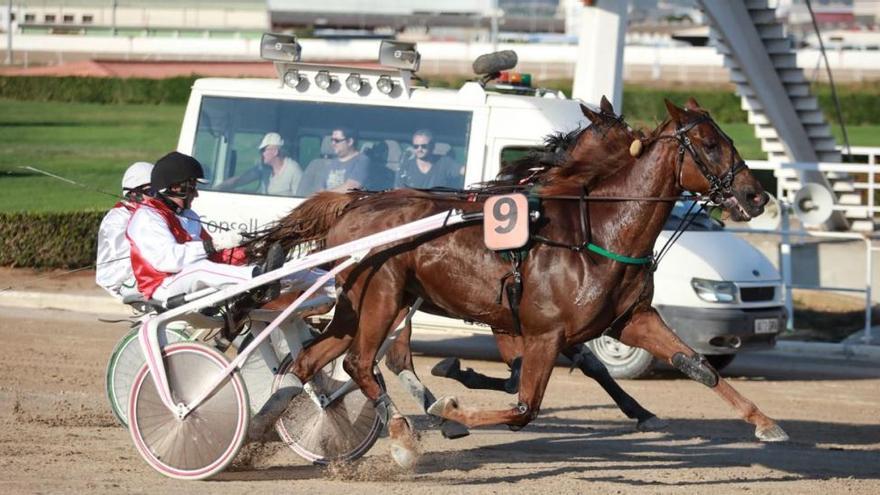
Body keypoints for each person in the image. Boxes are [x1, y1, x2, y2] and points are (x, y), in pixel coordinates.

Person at [126, 151, 282, 302]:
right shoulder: (147, 217)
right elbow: (170, 261)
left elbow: (214, 255)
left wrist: (250, 251)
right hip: (161, 286)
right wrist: (214, 244)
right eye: (192, 187)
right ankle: (260, 278)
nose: (196, 194)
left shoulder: (189, 215)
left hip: (186, 278)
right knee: (200, 268)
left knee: (239, 261)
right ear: (174, 188)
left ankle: (293, 274)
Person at [95, 161, 154, 299]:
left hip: (144, 273)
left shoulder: (152, 213)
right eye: (151, 192)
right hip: (121, 280)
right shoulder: (117, 219)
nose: (156, 197)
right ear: (134, 193)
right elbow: (128, 259)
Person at [219, 132, 303, 196]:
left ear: (275, 152)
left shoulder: (293, 170)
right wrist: (219, 188)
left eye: (264, 150)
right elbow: (240, 180)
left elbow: (301, 202)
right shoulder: (263, 168)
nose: (261, 154)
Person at [395, 129, 461, 189]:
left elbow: (466, 171)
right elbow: (398, 194)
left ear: (432, 146)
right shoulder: (405, 167)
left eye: (424, 146)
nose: (419, 149)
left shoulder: (444, 162)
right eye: (416, 146)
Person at [320, 127, 371, 192]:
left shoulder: (362, 160)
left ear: (350, 142)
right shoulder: (331, 163)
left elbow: (352, 186)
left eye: (337, 140)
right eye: (332, 140)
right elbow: (322, 188)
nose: (333, 143)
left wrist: (325, 196)